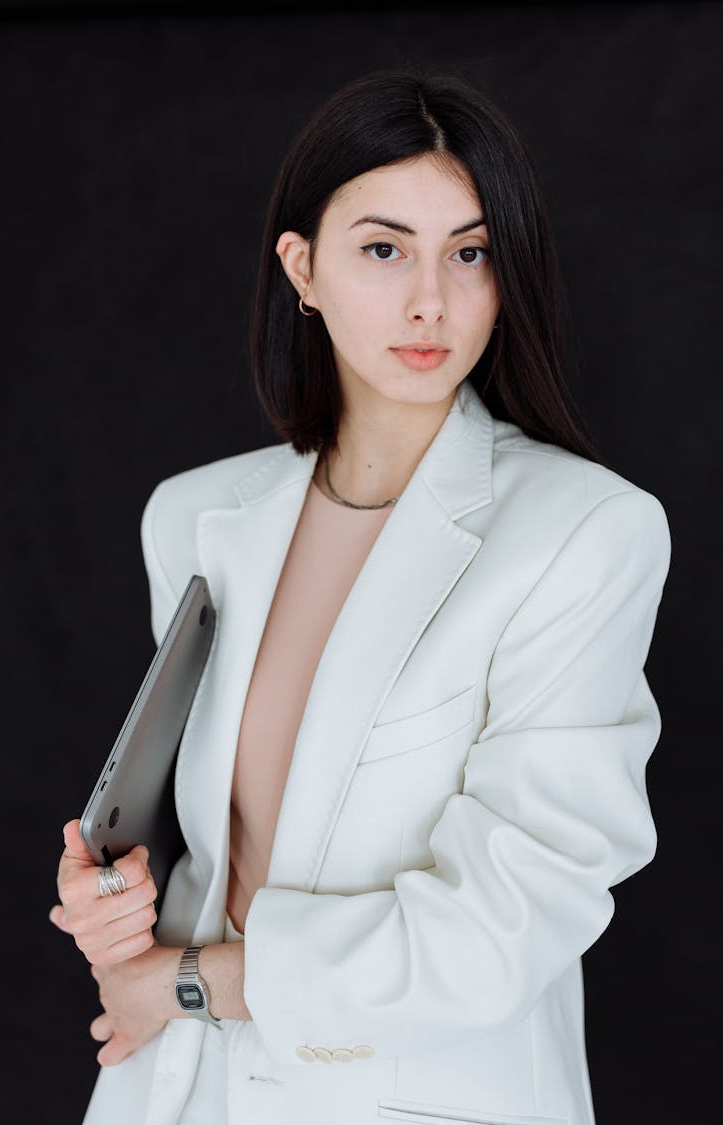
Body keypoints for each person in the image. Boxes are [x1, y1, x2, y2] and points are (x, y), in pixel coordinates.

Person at [50, 69, 672, 1125]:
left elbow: (511, 917)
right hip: (178, 1093)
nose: (431, 298)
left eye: (470, 252)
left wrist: (200, 980)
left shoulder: (585, 533)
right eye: (384, 249)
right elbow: (213, 843)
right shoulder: (198, 517)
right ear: (303, 268)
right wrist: (112, 905)